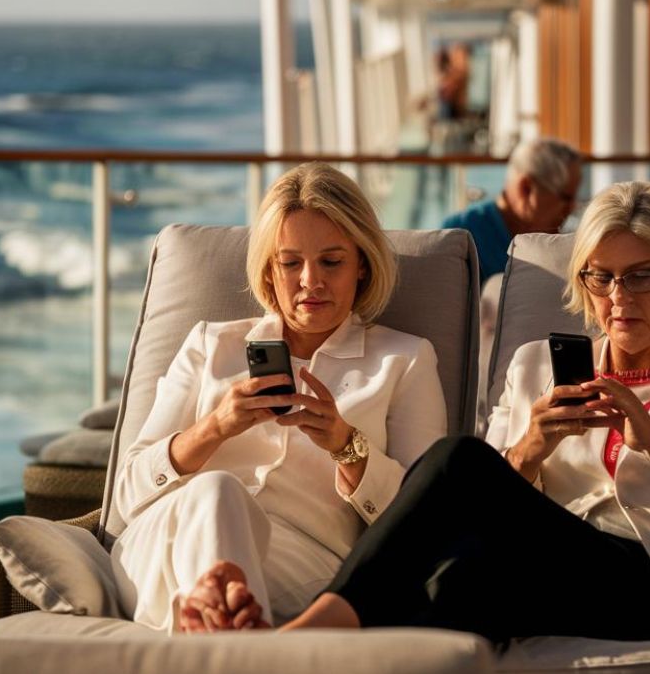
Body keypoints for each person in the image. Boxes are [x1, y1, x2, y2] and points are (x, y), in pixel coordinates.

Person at [278, 180, 650, 646]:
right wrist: (530, 448)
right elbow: (488, 509)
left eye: (641, 277)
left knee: (459, 458)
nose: (617, 298)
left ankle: (323, 622)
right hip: (549, 574)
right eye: (600, 278)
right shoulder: (534, 367)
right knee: (458, 578)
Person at [109, 162, 447, 634]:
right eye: (291, 263)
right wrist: (214, 427)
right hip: (166, 541)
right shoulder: (211, 344)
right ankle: (246, 651)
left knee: (223, 575)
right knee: (217, 489)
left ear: (362, 266)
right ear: (270, 269)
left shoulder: (404, 360)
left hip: (299, 561)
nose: (311, 281)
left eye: (331, 261)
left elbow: (422, 523)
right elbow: (126, 495)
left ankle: (213, 625)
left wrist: (347, 446)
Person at [442, 137, 582, 284]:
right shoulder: (460, 235)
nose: (572, 208)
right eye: (566, 197)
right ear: (526, 189)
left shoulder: (561, 243)